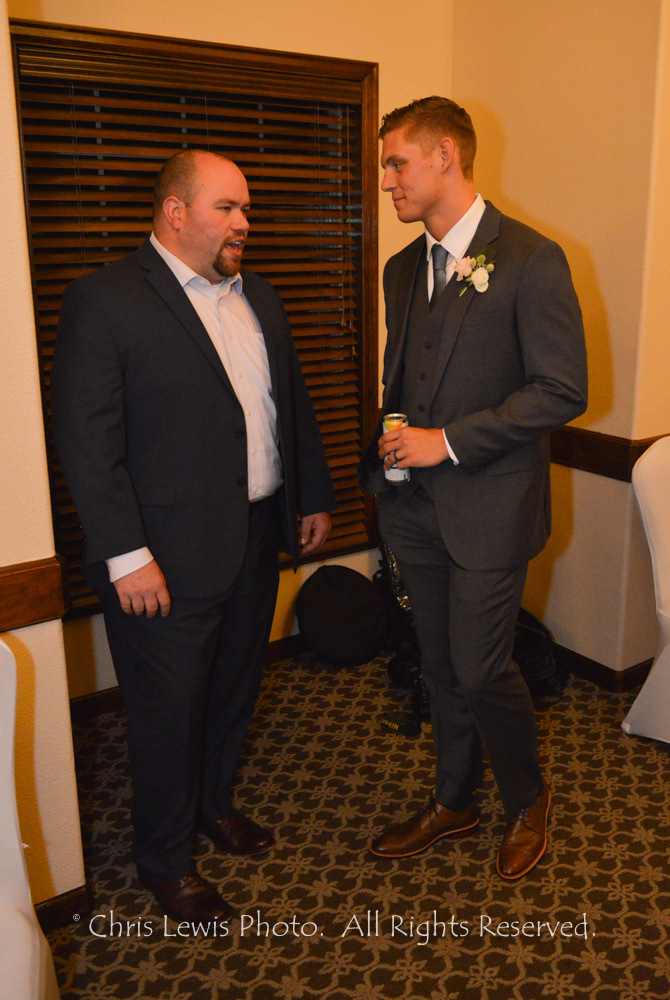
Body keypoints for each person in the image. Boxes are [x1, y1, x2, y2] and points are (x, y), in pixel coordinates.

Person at [52, 149, 335, 921]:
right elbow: (86, 440)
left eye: (246, 210)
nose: (244, 223)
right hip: (161, 557)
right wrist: (126, 555)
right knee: (167, 713)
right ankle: (165, 859)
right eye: (227, 208)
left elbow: (287, 404)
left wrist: (309, 494)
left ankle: (213, 804)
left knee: (235, 687)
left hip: (255, 535)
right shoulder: (104, 300)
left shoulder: (258, 296)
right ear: (175, 212)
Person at [358, 97, 587, 879]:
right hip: (412, 508)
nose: (386, 179)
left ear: (445, 156)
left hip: (492, 509)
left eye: (396, 163)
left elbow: (562, 390)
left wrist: (448, 442)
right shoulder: (400, 269)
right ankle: (453, 799)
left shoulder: (531, 258)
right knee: (437, 662)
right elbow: (404, 376)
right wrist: (395, 452)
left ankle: (528, 800)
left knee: (483, 665)